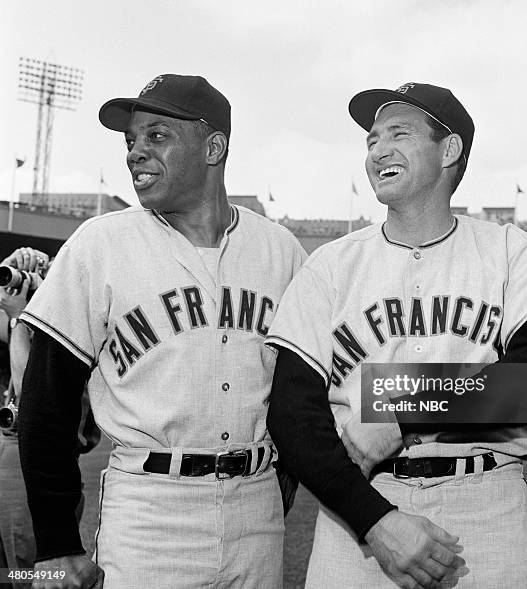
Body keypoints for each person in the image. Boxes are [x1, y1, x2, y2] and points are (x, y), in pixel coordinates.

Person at [266, 82, 527, 588]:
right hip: (360, 513)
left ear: (449, 149)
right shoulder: (329, 265)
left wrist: (399, 417)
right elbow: (291, 413)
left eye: (399, 133)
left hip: (487, 506)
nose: (377, 150)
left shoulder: (508, 251)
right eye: (371, 140)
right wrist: (376, 522)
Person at [18, 74, 305, 589]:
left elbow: (303, 392)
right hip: (151, 511)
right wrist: (57, 544)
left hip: (258, 511)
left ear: (213, 146)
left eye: (156, 135)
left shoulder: (280, 250)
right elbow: (46, 401)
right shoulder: (100, 243)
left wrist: (277, 480)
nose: (135, 153)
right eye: (131, 140)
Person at [0, 248, 99, 589]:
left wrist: (19, 320)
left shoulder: (72, 325)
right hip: (12, 457)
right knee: (9, 574)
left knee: (31, 576)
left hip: (35, 465)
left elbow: (30, 393)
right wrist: (9, 271)